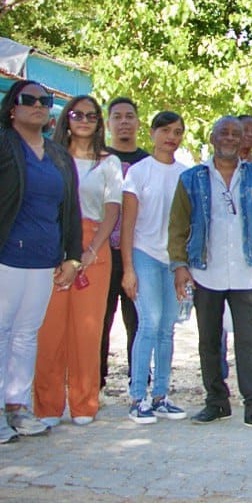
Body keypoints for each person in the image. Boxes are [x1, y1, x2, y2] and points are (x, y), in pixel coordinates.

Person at [0, 80, 83, 443]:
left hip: (41, 258)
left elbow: (70, 209)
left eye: (46, 101)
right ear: (12, 107)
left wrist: (72, 257)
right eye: (29, 100)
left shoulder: (59, 155)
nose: (39, 106)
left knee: (26, 334)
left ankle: (17, 406)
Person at [170, 116, 252, 430]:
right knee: (209, 341)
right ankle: (216, 403)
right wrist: (179, 266)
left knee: (250, 343)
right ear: (212, 137)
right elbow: (178, 226)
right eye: (224, 132)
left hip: (247, 271)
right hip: (206, 270)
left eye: (236, 133)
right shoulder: (191, 178)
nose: (231, 138)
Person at [32, 95, 122, 427]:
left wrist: (91, 250)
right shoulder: (49, 157)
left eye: (91, 115)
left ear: (99, 123)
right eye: (76, 114)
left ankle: (84, 403)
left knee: (87, 332)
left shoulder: (108, 163)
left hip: (94, 247)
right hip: (52, 246)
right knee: (49, 331)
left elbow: (112, 209)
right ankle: (47, 406)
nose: (83, 120)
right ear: (65, 119)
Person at [120, 110, 191, 425]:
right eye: (165, 131)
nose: (171, 138)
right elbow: (127, 226)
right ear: (152, 133)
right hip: (144, 254)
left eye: (177, 132)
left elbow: (189, 225)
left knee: (167, 328)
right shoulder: (138, 172)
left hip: (173, 260)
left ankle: (161, 395)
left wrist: (184, 266)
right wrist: (128, 269)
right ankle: (138, 396)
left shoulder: (186, 174)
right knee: (149, 323)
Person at [99, 97, 147, 391]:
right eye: (117, 116)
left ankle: (139, 383)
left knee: (138, 322)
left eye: (130, 115)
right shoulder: (99, 158)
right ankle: (94, 383)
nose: (124, 121)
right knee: (99, 322)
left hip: (138, 253)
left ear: (138, 122)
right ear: (108, 123)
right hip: (102, 252)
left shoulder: (148, 161)